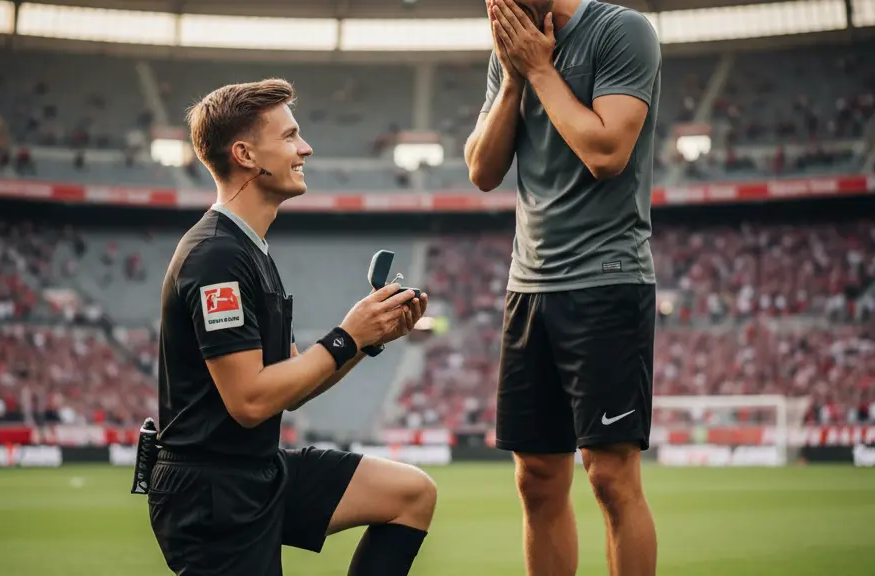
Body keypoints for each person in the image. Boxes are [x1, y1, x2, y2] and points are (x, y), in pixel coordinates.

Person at [150, 79, 436, 576]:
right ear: (245, 154)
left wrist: (367, 341)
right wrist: (347, 336)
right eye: (288, 137)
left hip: (257, 470)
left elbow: (292, 385)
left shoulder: (250, 249)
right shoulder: (216, 255)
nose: (305, 148)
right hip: (213, 494)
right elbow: (250, 401)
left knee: (410, 494)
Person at [465, 0, 661, 574]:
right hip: (528, 288)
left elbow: (606, 151)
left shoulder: (622, 31)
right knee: (537, 477)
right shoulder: (511, 52)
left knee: (610, 475)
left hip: (606, 280)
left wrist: (542, 71)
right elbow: (481, 170)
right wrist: (514, 76)